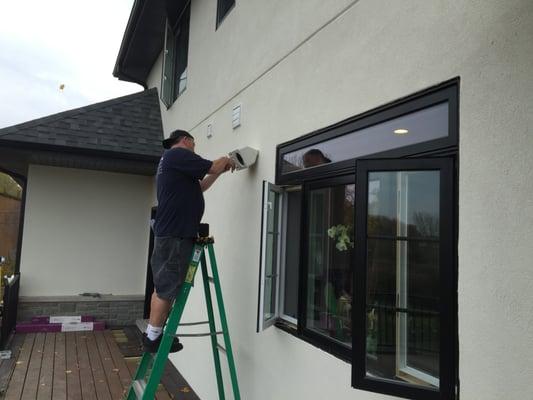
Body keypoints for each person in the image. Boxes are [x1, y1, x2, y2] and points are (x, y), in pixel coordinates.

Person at [143, 129, 235, 353]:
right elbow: (212, 165)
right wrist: (227, 159)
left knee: (163, 286)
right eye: (194, 144)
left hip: (172, 232)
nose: (195, 149)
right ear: (186, 141)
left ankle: (154, 333)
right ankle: (153, 337)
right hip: (176, 234)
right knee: (166, 289)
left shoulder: (171, 162)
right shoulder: (177, 154)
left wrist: (219, 172)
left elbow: (201, 186)